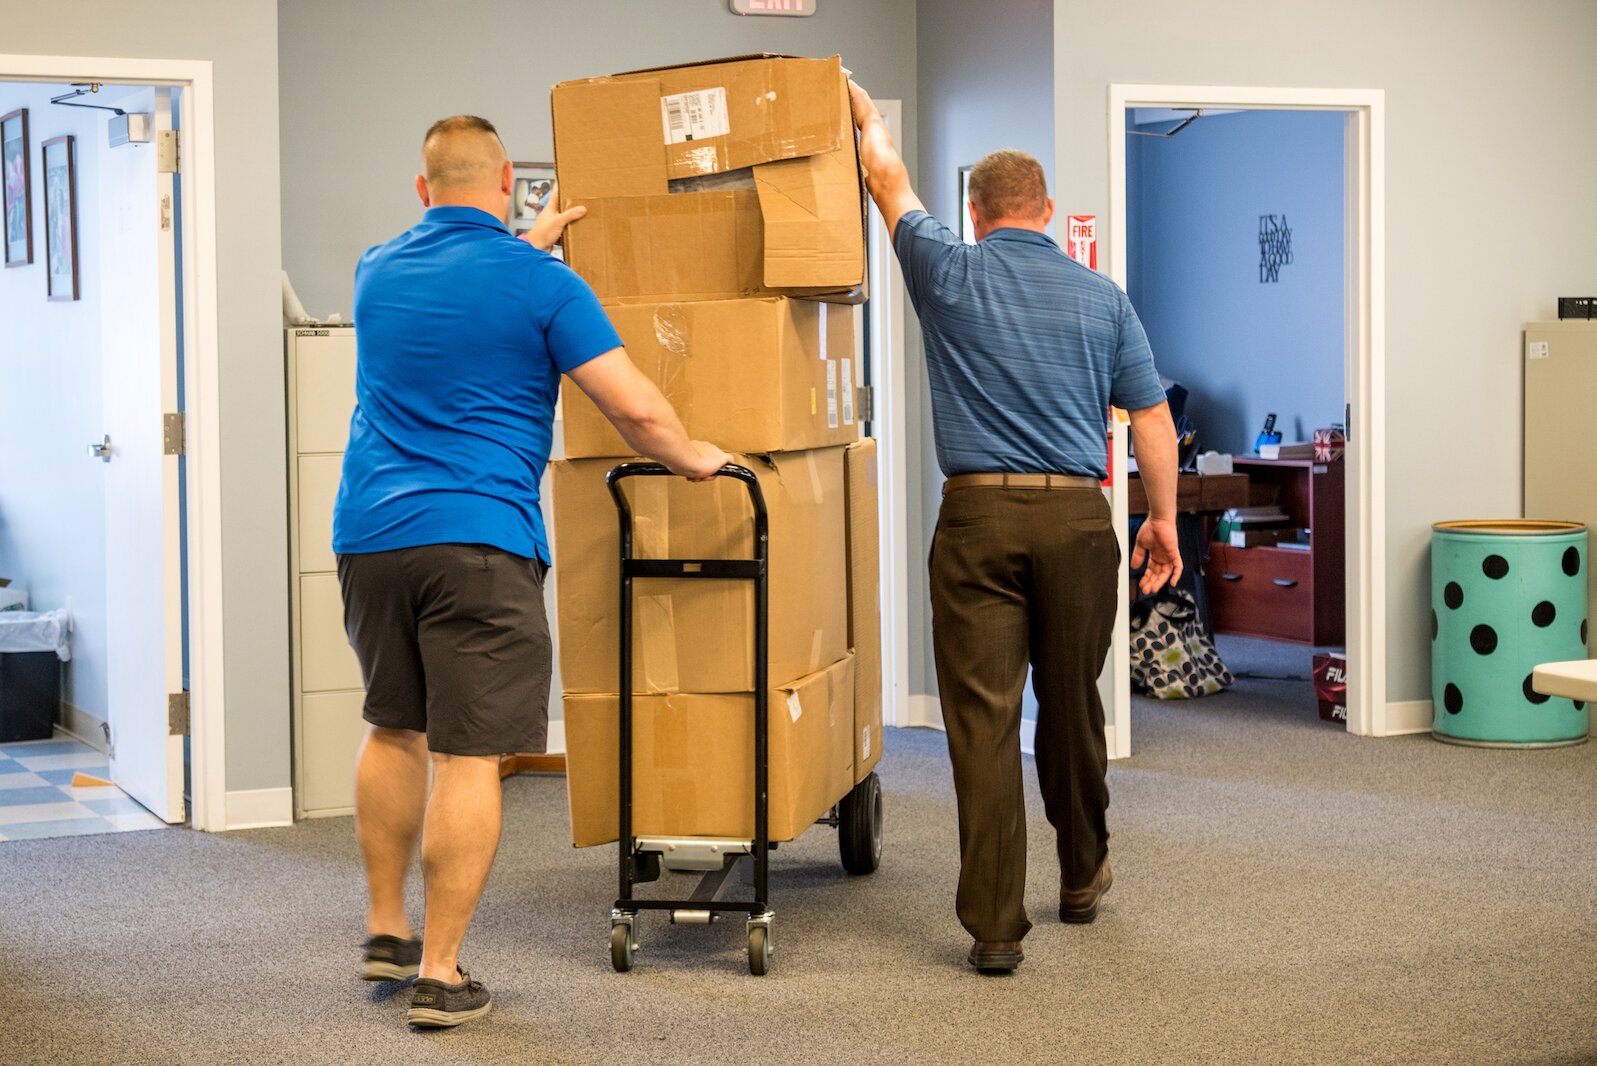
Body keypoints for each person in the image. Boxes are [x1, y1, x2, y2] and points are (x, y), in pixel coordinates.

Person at [332, 115, 731, 1028]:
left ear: (421, 187)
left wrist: (524, 248)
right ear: (509, 179)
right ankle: (439, 972)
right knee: (470, 756)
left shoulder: (375, 269)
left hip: (370, 537)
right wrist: (691, 456)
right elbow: (631, 405)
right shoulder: (542, 283)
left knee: (393, 728)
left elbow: (462, 290)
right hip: (479, 541)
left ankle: (386, 926)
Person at [849, 83, 1183, 973]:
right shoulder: (1101, 297)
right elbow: (1150, 420)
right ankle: (1082, 874)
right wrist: (1163, 521)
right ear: (1044, 210)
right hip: (1079, 518)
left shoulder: (946, 270)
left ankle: (995, 929)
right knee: (1071, 702)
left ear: (975, 212)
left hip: (978, 515)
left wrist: (860, 108)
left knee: (983, 719)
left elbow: (884, 177)